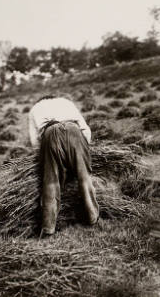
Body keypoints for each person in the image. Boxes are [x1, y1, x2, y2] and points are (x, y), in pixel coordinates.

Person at [28, 94, 99, 236]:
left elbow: (34, 142)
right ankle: (92, 217)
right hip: (74, 130)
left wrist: (46, 155)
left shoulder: (34, 109)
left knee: (51, 181)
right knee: (84, 175)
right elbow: (85, 129)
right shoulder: (66, 102)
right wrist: (83, 149)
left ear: (41, 101)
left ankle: (48, 228)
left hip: (50, 132)